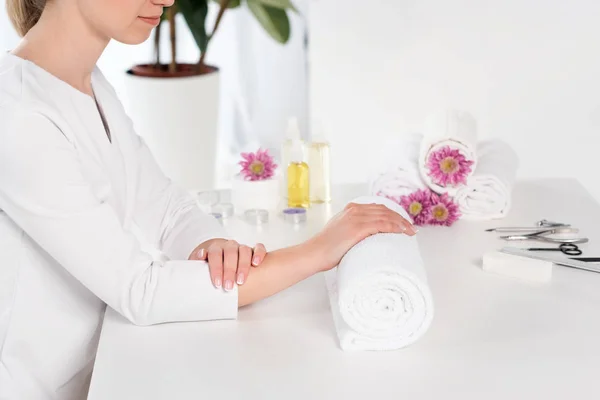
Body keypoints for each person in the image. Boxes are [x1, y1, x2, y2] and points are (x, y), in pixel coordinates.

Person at [0, 0, 417, 398]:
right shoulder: (18, 113)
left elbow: (166, 208)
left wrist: (210, 246)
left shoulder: (87, 86)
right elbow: (140, 291)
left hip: (100, 373)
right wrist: (320, 250)